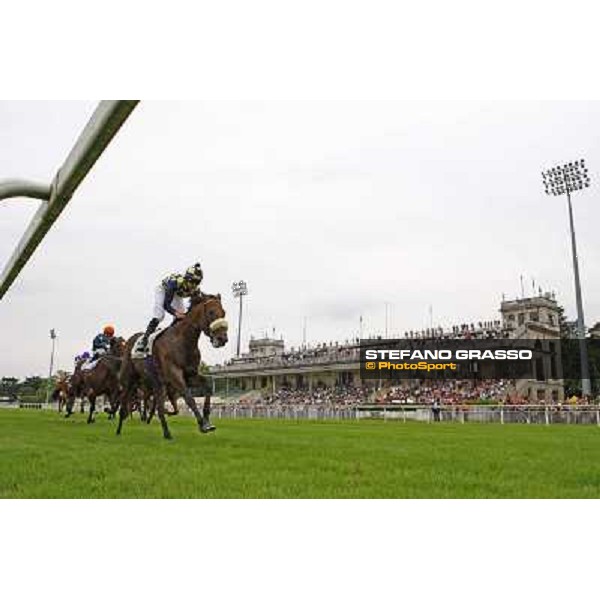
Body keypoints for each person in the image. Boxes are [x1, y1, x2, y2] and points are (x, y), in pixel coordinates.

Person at [138, 263, 204, 352]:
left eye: (197, 282)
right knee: (159, 315)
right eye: (192, 281)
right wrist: (175, 313)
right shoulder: (174, 283)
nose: (194, 285)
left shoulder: (195, 289)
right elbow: (166, 304)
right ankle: (144, 340)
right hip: (163, 290)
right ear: (187, 278)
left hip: (177, 294)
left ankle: (174, 338)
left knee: (182, 319)